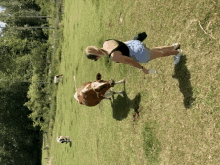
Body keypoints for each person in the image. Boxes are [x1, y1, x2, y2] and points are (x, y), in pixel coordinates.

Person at [85, 39, 183, 74]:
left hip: (138, 53)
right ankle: (173, 46)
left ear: (96, 57)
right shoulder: (106, 42)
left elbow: (130, 61)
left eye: (95, 59)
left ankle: (177, 53)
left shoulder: (114, 56)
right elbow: (122, 43)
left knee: (159, 54)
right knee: (154, 50)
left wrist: (142, 69)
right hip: (134, 44)